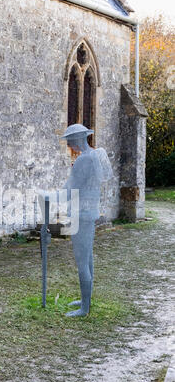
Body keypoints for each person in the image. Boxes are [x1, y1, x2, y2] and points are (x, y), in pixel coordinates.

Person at [61, 124, 113, 317]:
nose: (68, 145)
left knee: (82, 261)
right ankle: (86, 300)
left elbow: (69, 190)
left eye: (69, 141)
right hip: (88, 213)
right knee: (88, 258)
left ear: (76, 140)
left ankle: (84, 308)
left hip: (81, 215)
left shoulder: (84, 160)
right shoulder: (93, 156)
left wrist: (48, 197)